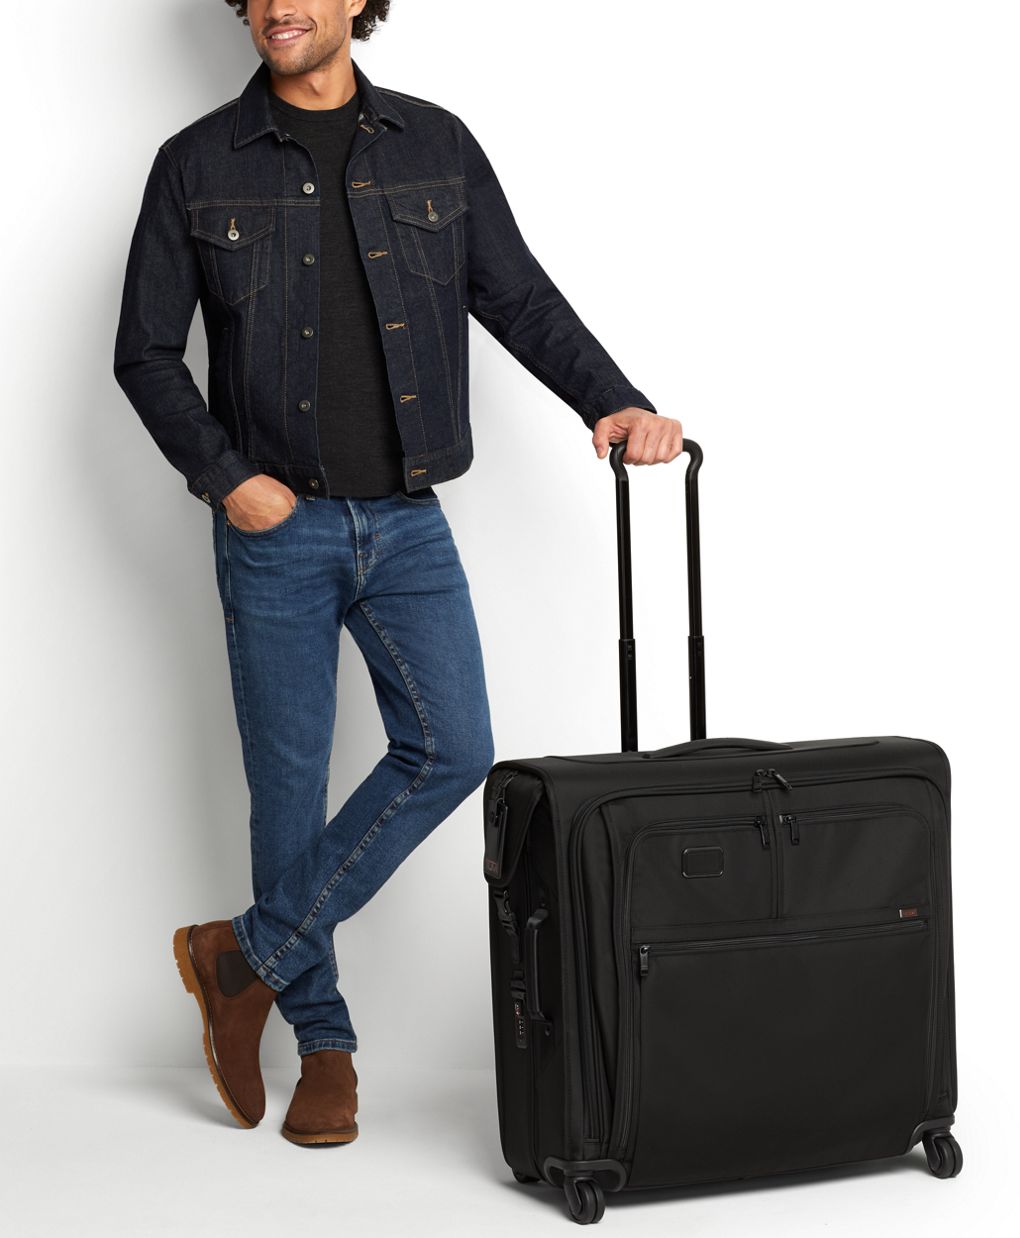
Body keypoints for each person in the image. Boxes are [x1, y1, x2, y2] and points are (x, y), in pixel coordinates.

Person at [113, 0, 684, 1148]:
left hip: (407, 520)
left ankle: (240, 957)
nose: (280, 7)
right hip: (273, 528)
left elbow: (517, 296)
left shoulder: (435, 145)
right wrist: (226, 478)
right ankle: (324, 1042)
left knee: (454, 748)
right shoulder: (196, 164)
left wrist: (614, 398)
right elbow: (146, 352)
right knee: (289, 793)